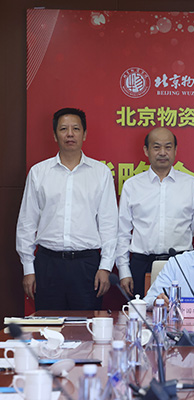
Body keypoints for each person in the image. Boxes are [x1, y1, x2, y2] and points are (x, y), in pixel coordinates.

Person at [16, 108, 118, 310]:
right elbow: (26, 223)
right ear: (55, 135)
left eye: (76, 129)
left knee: (86, 326)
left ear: (84, 134)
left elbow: (109, 224)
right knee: (47, 324)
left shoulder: (101, 173)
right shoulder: (39, 172)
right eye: (63, 129)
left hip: (87, 265)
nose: (70, 134)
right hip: (48, 264)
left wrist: (105, 267)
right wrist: (28, 268)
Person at [116, 128, 194, 297]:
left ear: (175, 150)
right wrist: (124, 271)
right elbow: (123, 233)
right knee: (142, 312)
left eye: (168, 147)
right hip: (142, 265)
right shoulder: (132, 185)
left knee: (181, 312)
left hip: (180, 263)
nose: (162, 152)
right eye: (156, 147)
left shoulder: (192, 185)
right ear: (146, 150)